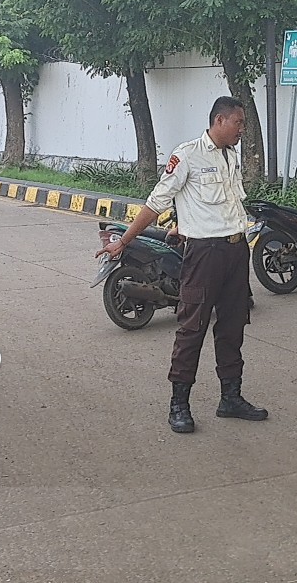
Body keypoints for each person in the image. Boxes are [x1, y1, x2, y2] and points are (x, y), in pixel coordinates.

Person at [97, 96, 268, 434]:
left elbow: (219, 205)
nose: (242, 130)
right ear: (219, 121)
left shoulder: (231, 156)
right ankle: (179, 404)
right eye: (238, 123)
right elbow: (156, 203)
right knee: (192, 328)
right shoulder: (188, 155)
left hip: (236, 251)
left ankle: (230, 397)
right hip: (205, 255)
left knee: (233, 326)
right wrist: (124, 241)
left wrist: (183, 222)